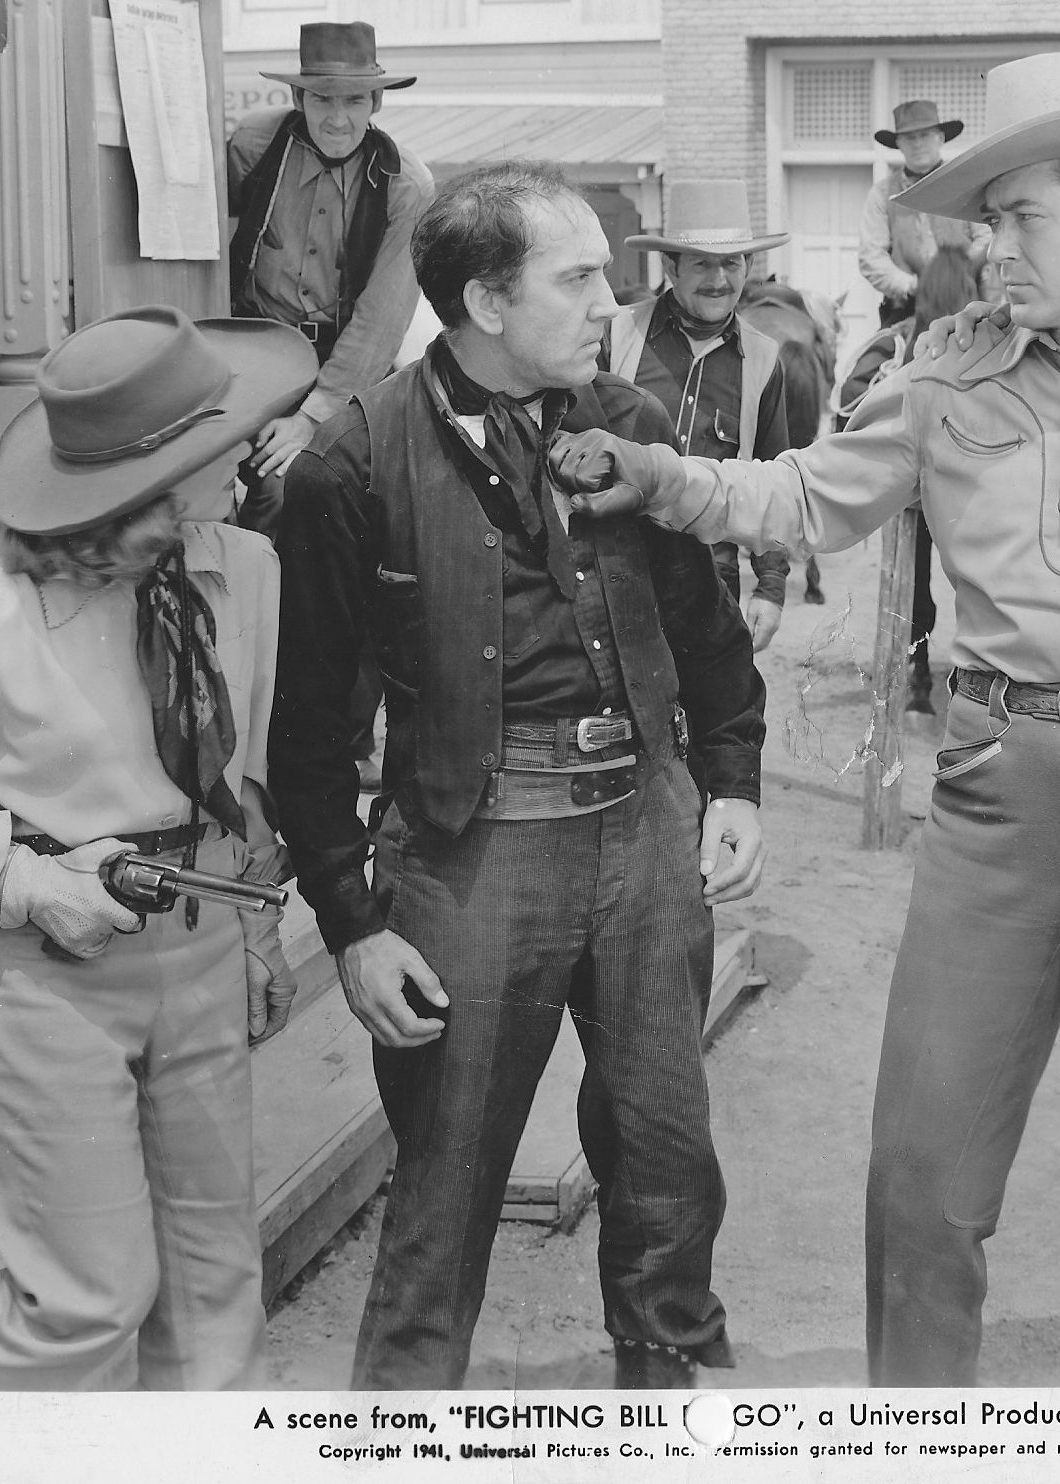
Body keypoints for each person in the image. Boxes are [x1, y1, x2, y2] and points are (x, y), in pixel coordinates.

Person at [553, 52, 1060, 1387]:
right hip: (990, 807)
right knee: (919, 1187)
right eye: (982, 217)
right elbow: (805, 499)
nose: (986, 245)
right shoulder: (940, 384)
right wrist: (658, 474)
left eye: (1022, 217)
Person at [269, 159, 769, 1392]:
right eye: (581, 275)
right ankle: (402, 1424)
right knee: (443, 1186)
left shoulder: (636, 427)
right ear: (486, 303)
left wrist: (737, 778)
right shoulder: (352, 463)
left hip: (647, 836)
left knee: (667, 1159)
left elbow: (707, 630)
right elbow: (305, 731)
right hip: (465, 852)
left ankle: (666, 1409)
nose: (615, 299)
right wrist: (350, 922)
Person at [0, 304, 312, 1389]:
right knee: (83, 1300)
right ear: (155, 481)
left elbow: (238, 774)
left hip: (201, 953)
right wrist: (23, 879)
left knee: (213, 1287)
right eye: (223, 439)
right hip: (51, 980)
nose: (249, 448)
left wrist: (254, 929)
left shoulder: (245, 568)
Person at [227, 21, 435, 537]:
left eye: (354, 101)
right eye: (322, 99)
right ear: (298, 96)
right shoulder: (253, 147)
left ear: (376, 104)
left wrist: (313, 418)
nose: (338, 119)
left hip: (344, 371)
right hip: (251, 361)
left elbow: (380, 322)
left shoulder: (406, 186)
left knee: (291, 486)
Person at [607, 179, 794, 651]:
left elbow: (775, 481)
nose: (719, 279)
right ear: (670, 267)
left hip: (714, 582)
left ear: (748, 266)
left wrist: (770, 589)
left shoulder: (764, 360)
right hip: (617, 575)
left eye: (731, 263)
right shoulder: (614, 337)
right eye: (701, 264)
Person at [834, 245, 981, 713]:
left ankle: (916, 675)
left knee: (912, 581)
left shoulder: (898, 341)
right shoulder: (985, 345)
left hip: (913, 493)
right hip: (967, 490)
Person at [857, 99, 992, 327]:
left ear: (940, 138)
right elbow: (871, 256)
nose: (918, 144)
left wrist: (956, 275)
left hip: (968, 304)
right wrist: (911, 285)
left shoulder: (966, 184)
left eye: (925, 136)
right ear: (898, 143)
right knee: (876, 360)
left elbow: (986, 235)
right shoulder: (882, 194)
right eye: (910, 138)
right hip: (908, 310)